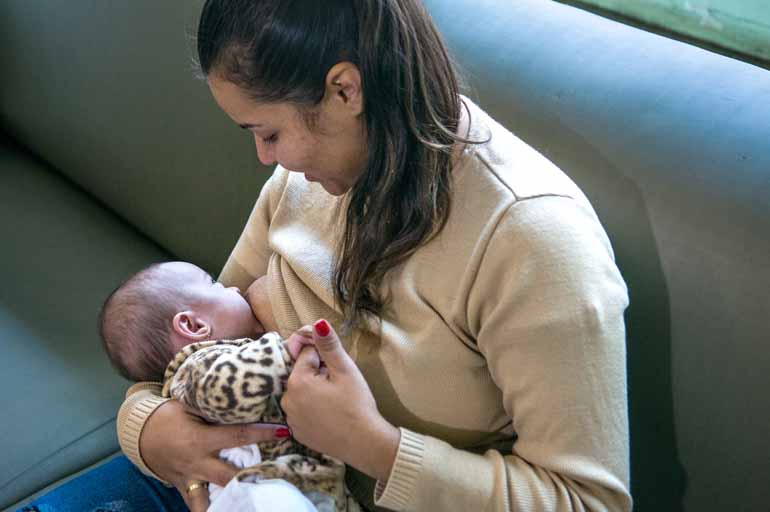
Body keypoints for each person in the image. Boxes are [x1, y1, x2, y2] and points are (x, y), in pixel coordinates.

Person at [20, 0, 631, 511]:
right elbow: (183, 344)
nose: (266, 160)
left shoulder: (532, 240)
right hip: (227, 473)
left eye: (269, 133)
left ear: (344, 89)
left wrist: (376, 447)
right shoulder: (309, 177)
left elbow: (585, 500)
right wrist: (155, 433)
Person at [97, 260, 359, 511]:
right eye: (214, 284)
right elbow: (227, 388)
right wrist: (285, 353)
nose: (234, 288)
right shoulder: (198, 367)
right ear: (194, 325)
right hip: (254, 492)